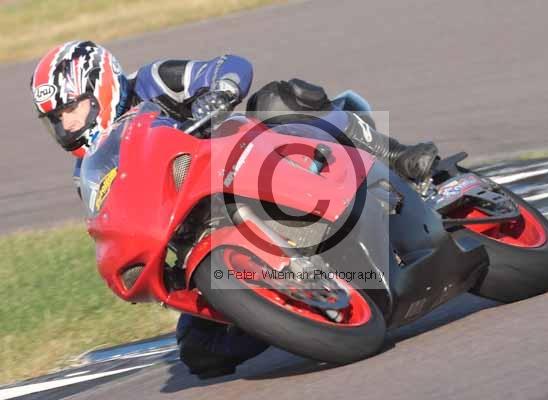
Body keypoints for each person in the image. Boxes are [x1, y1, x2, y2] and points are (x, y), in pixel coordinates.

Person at [30, 40, 438, 377]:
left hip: (250, 162)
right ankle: (291, 313)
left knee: (277, 99)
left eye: (71, 109)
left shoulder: (152, 81)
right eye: (56, 119)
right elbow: (115, 220)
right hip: (201, 229)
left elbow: (229, 65)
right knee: (200, 351)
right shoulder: (88, 170)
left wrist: (219, 91)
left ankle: (398, 158)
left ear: (101, 87)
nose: (67, 126)